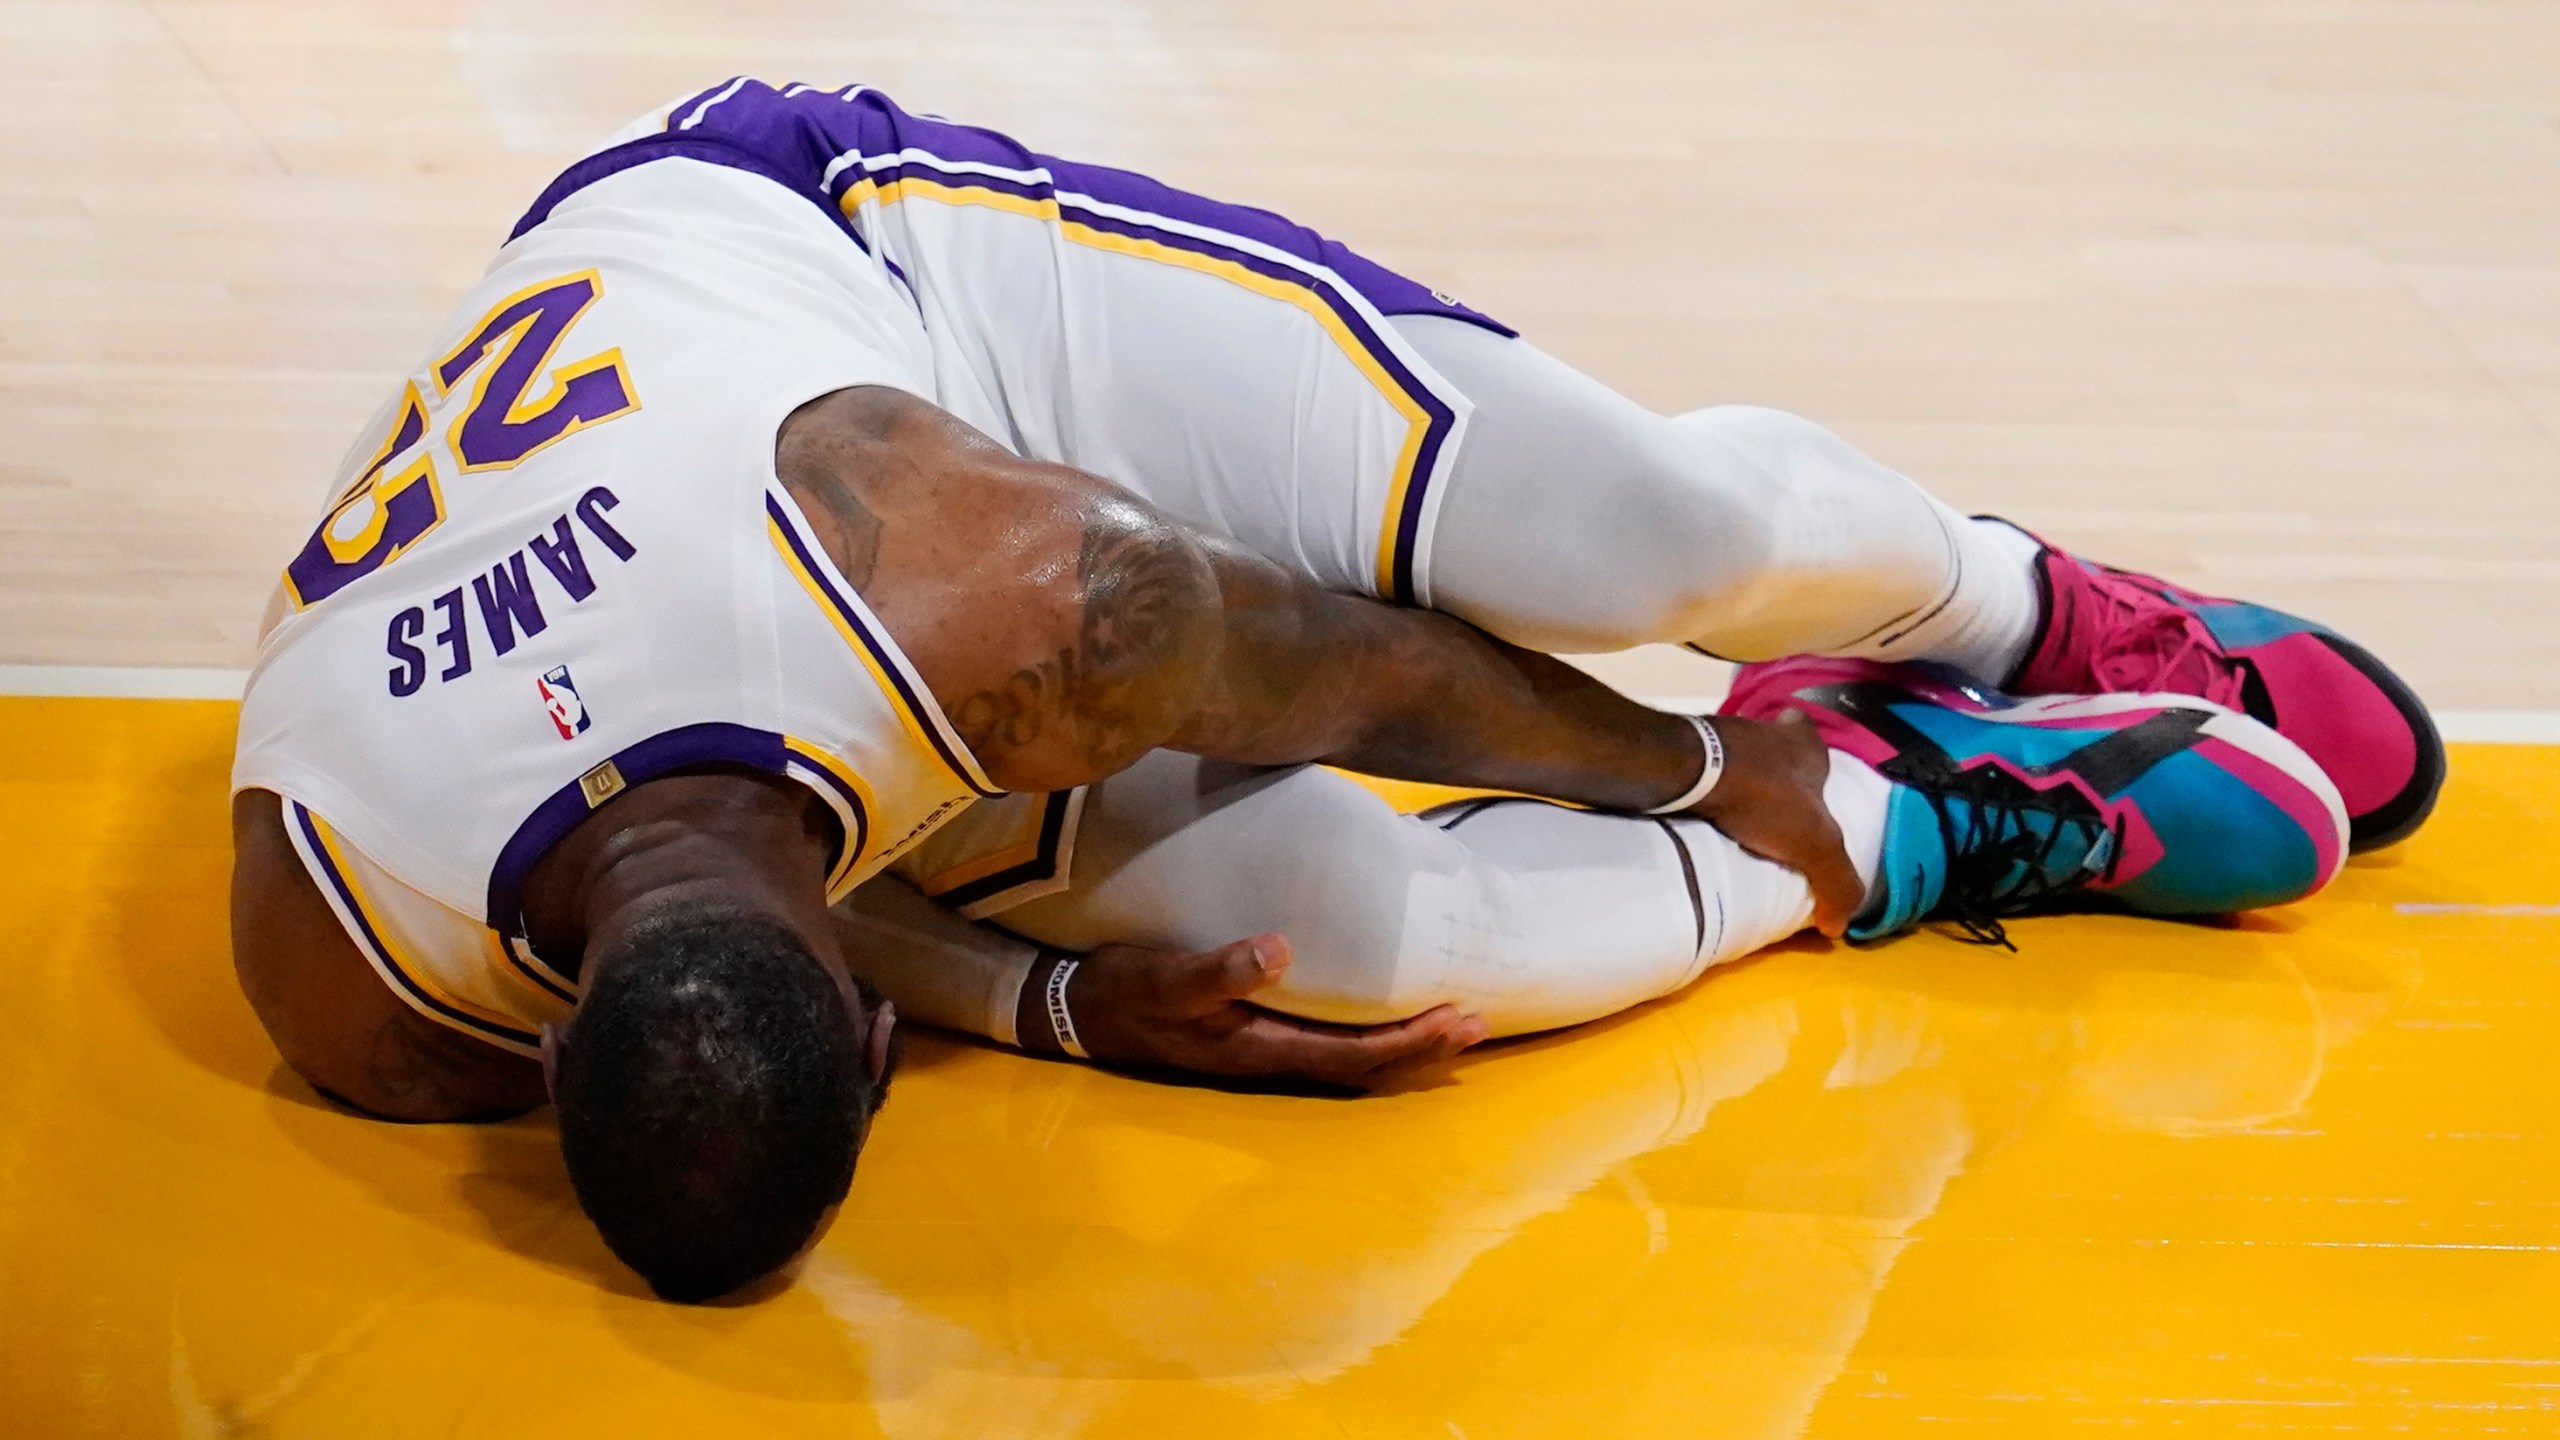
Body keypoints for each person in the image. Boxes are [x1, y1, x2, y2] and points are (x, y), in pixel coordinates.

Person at [225, 78, 2431, 1302]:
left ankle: (1989, 606)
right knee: (1356, 962)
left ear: (884, 1049)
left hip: (890, 287)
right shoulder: (345, 978)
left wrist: (1694, 757)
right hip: (794, 620)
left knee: (1624, 541)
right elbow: (760, 899)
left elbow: (1373, 681)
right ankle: (1887, 819)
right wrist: (1069, 1010)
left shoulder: (998, 602)